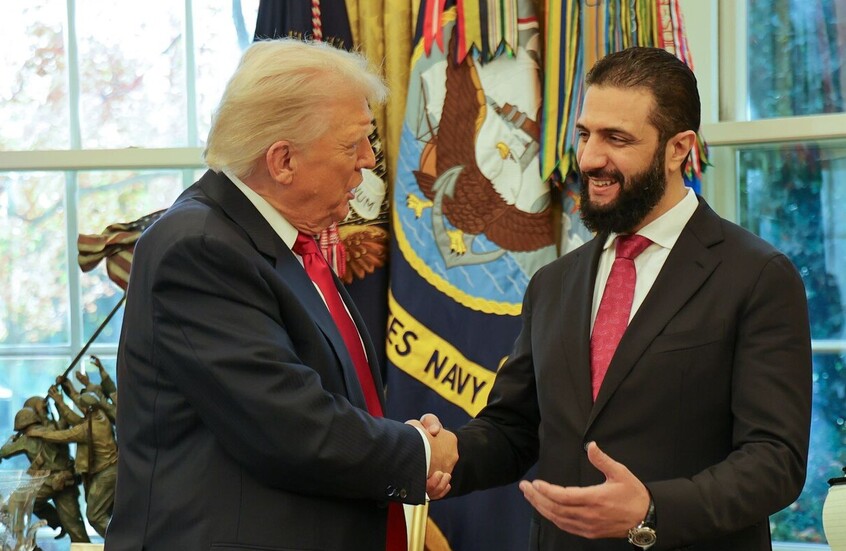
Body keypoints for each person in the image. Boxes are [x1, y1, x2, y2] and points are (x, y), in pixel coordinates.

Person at [425, 46, 813, 550]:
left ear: (678, 149)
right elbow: (515, 428)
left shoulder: (757, 276)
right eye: (585, 134)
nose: (589, 158)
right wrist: (448, 452)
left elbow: (775, 461)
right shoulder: (553, 283)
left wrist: (651, 508)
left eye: (617, 138)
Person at [104, 38, 456, 551]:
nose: (368, 160)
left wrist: (400, 443)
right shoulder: (199, 247)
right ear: (283, 160)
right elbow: (290, 427)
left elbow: (323, 400)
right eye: (353, 144)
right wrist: (418, 453)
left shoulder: (286, 244)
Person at [30, 389, 119, 537]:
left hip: (106, 474)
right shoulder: (100, 416)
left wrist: (39, 433)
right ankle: (121, 541)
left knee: (95, 515)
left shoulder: (88, 428)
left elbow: (62, 436)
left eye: (81, 406)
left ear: (87, 409)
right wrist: (61, 399)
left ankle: (120, 542)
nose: (79, 407)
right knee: (105, 511)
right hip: (108, 471)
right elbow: (75, 419)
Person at [0, 405, 90, 543]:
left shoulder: (26, 439)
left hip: (47, 481)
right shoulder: (54, 430)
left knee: (21, 501)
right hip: (66, 480)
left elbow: (4, 452)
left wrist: (11, 441)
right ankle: (67, 529)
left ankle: (24, 540)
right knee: (73, 524)